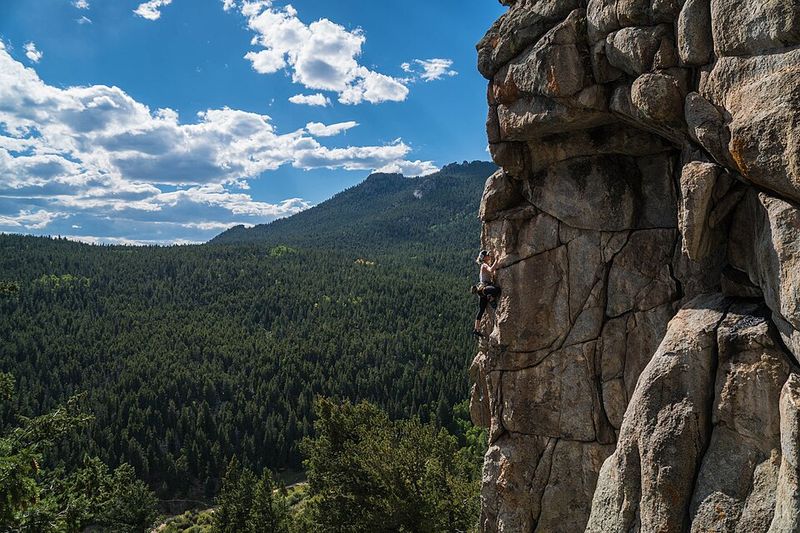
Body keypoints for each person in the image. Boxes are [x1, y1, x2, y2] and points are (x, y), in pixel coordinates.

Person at [473, 249, 502, 337]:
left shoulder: (483, 265)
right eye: (488, 255)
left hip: (482, 291)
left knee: (481, 310)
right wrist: (497, 260)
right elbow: (491, 270)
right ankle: (490, 297)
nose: (489, 256)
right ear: (485, 257)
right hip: (485, 289)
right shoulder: (484, 265)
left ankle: (476, 329)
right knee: (497, 290)